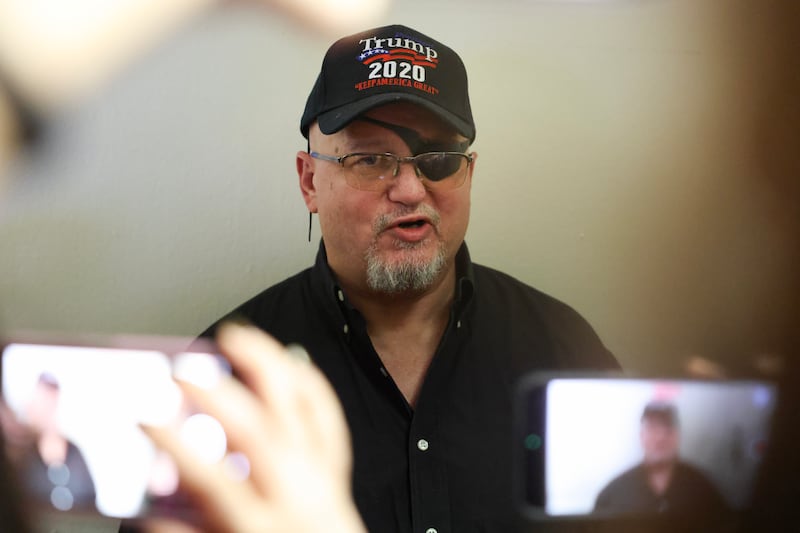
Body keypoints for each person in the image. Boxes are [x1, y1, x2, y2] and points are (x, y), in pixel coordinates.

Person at [199, 23, 618, 533]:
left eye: (437, 159)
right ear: (310, 181)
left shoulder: (563, 351)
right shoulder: (228, 379)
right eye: (371, 159)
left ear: (469, 172)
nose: (409, 190)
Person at [594, 401, 729, 517]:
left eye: (667, 428)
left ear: (677, 436)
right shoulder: (613, 493)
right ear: (642, 436)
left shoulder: (704, 488)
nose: (660, 437)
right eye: (653, 428)